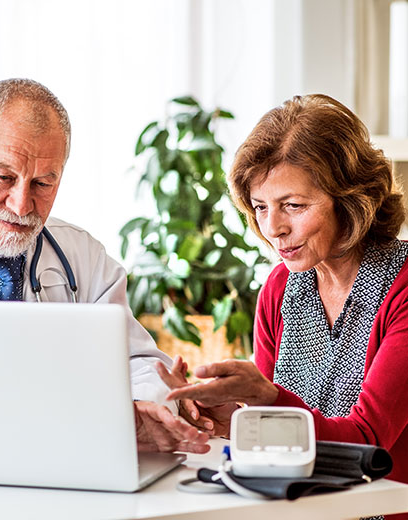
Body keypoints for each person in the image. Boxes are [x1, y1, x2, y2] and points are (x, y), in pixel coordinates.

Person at [0, 78, 209, 454]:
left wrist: (144, 407)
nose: (20, 205)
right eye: (3, 177)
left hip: (56, 462)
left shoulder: (84, 258)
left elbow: (138, 362)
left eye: (42, 183)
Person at [158, 94, 408, 494]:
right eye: (260, 206)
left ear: (350, 200)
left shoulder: (403, 286)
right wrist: (237, 421)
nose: (273, 227)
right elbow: (281, 441)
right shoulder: (280, 288)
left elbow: (365, 441)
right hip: (300, 506)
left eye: (292, 205)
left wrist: (267, 398)